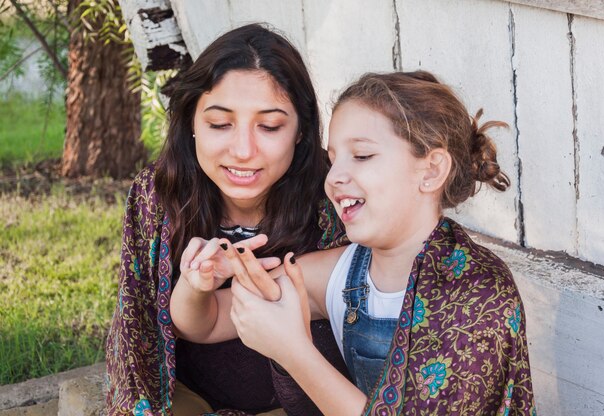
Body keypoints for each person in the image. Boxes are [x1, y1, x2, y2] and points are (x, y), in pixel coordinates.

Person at [175, 70, 536, 415]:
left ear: (431, 170)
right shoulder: (345, 272)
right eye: (333, 160)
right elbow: (207, 323)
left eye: (361, 156)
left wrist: (293, 351)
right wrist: (198, 283)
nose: (334, 178)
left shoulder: (479, 291)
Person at [105, 23, 350, 416]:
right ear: (191, 124)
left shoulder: (335, 194)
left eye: (269, 126)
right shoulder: (160, 193)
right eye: (220, 124)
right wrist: (197, 282)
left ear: (301, 130)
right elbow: (146, 321)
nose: (242, 150)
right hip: (186, 394)